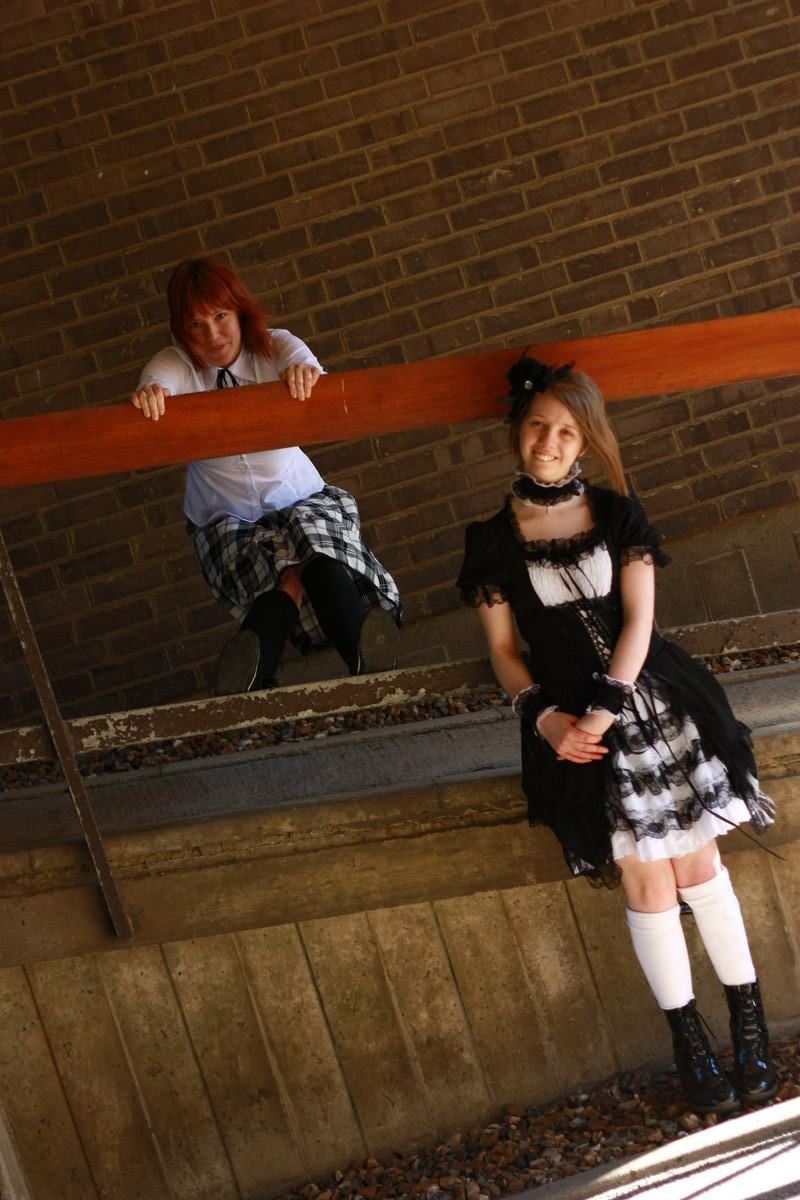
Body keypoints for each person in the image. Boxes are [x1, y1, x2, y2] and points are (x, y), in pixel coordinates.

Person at [457, 353, 777, 1115]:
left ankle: (751, 1030)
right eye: (539, 426)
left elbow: (640, 622)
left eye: (567, 431)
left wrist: (604, 710)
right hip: (569, 726)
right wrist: (545, 718)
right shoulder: (491, 539)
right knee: (644, 878)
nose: (549, 442)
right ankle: (690, 1043)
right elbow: (503, 651)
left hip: (653, 701)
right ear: (517, 430)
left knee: (698, 865)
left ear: (587, 441)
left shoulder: (617, 514)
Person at [131, 256, 401, 694]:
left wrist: (303, 372)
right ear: (181, 330)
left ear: (239, 310)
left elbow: (310, 371)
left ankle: (369, 664)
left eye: (220, 316)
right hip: (227, 517)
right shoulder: (177, 363)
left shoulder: (274, 346)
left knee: (315, 552)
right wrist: (153, 393)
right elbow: (158, 382)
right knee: (280, 578)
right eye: (196, 324)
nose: (213, 335)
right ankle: (250, 686)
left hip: (297, 495)